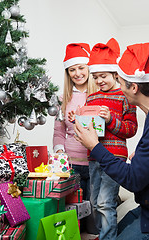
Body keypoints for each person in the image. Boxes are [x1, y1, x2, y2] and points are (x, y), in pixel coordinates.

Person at [73, 42, 149, 240]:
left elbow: (133, 180)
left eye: (121, 82)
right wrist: (143, 155)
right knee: (113, 228)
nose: (119, 87)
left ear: (133, 87)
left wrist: (94, 146)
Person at [69, 38, 138, 240]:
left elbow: (131, 129)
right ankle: (103, 233)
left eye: (104, 76)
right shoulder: (91, 98)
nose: (99, 80)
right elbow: (86, 129)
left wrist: (111, 119)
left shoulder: (125, 96)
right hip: (93, 157)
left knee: (105, 202)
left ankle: (108, 237)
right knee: (94, 202)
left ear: (115, 74)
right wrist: (77, 120)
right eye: (96, 76)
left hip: (114, 157)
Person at [53, 43, 98, 213]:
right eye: (72, 70)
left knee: (94, 210)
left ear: (88, 68)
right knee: (72, 211)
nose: (77, 73)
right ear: (67, 73)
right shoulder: (61, 98)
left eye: (81, 68)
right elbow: (58, 132)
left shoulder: (99, 95)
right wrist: (59, 152)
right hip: (70, 164)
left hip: (94, 162)